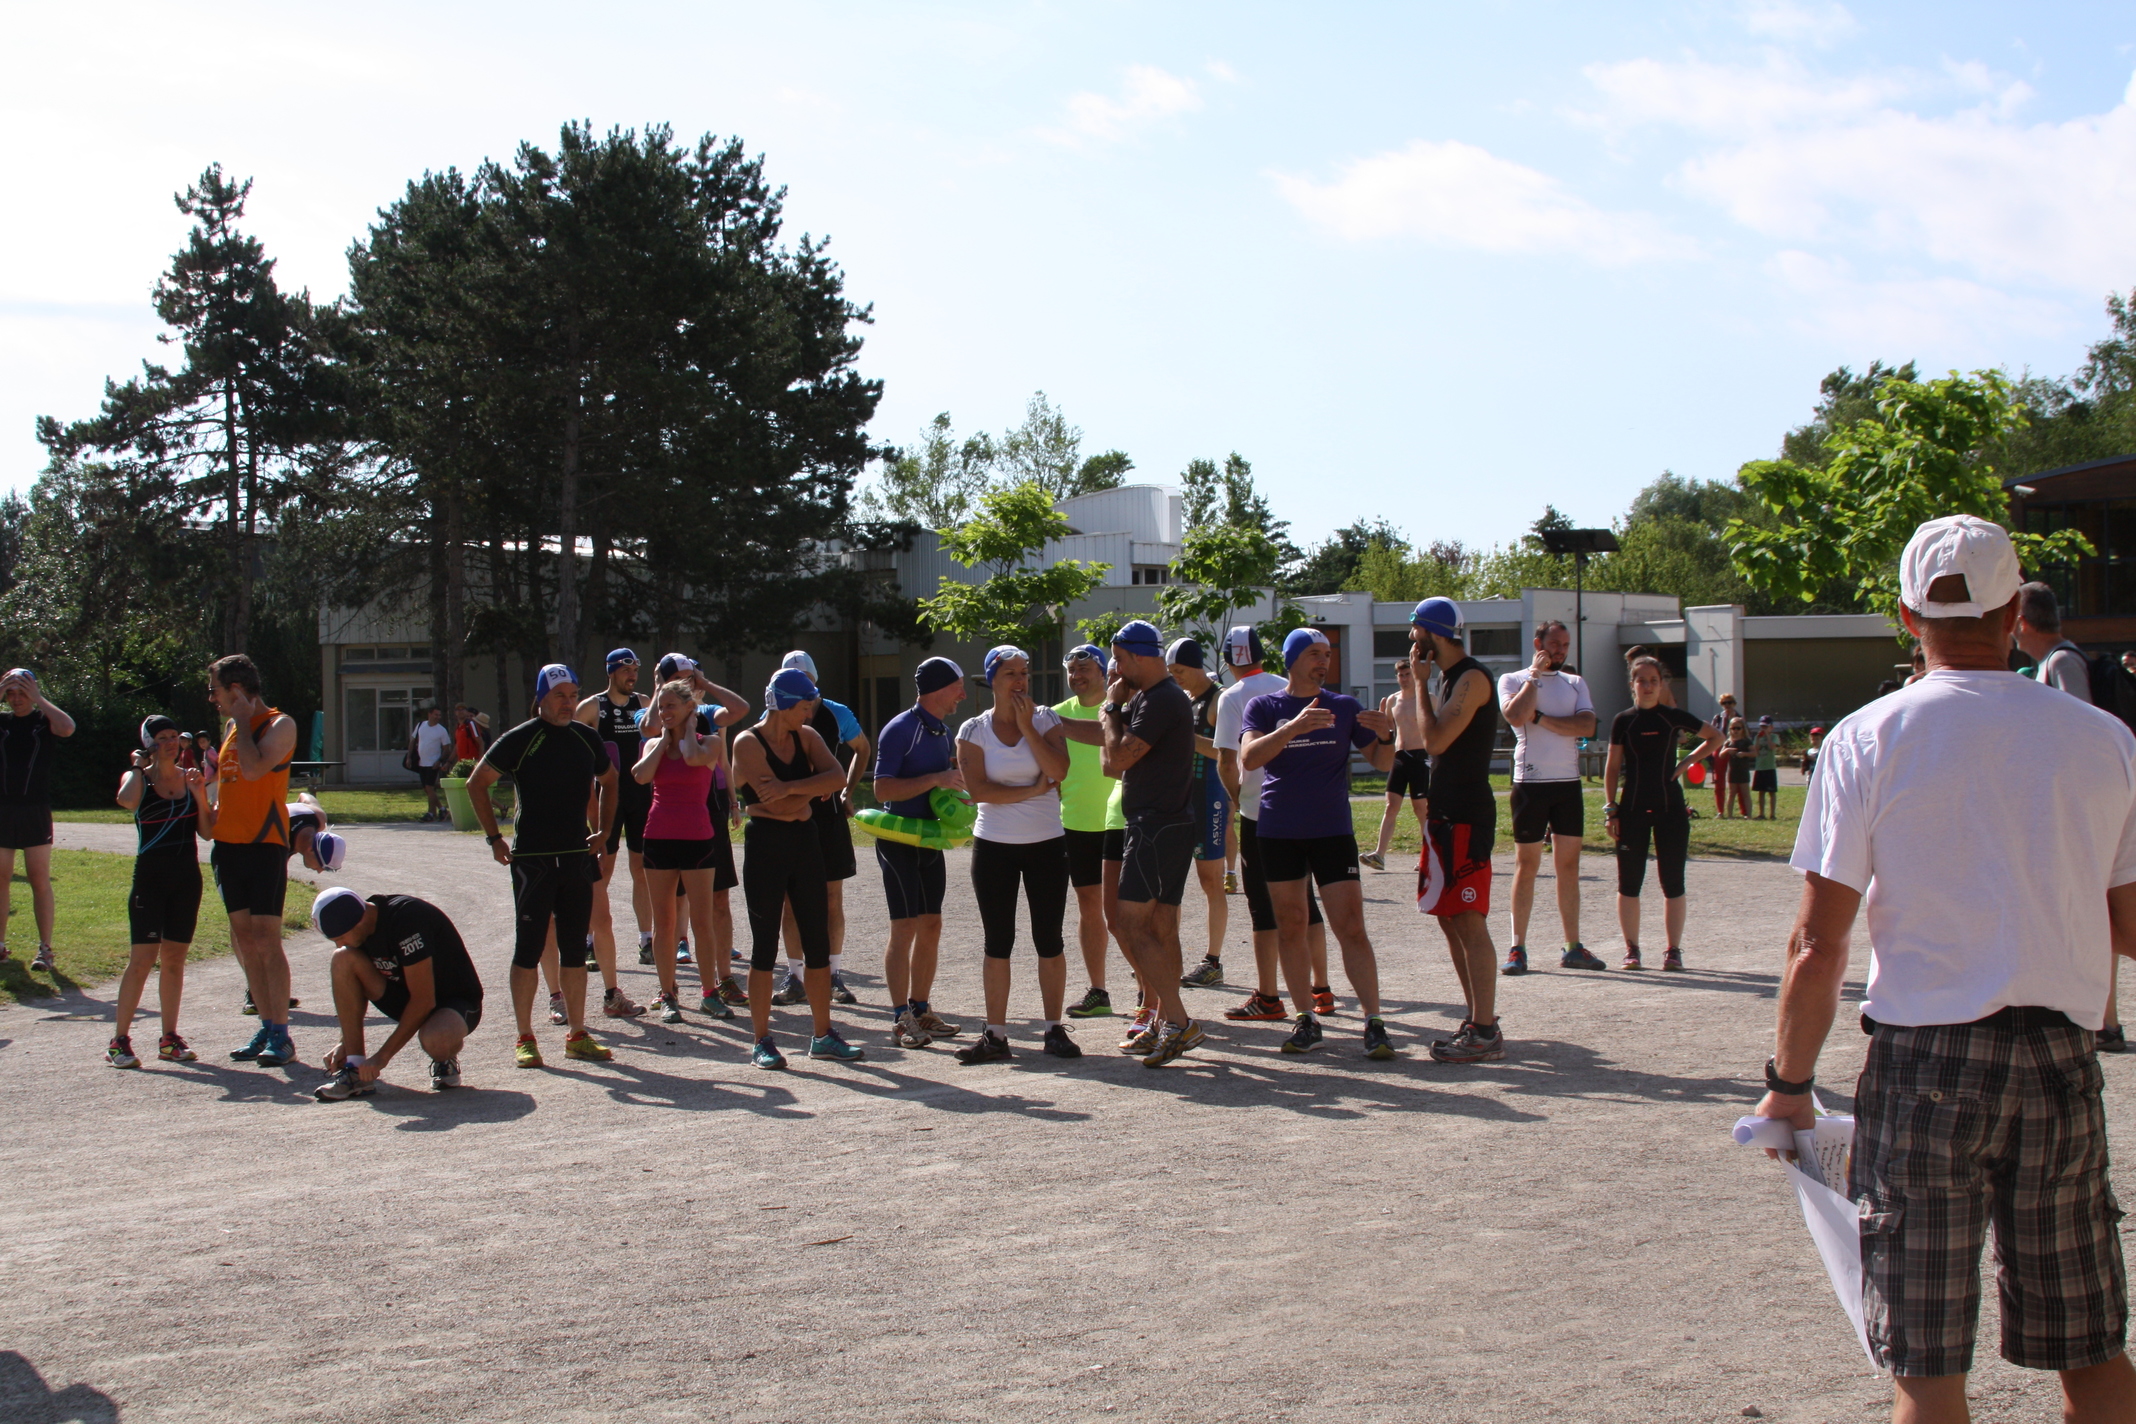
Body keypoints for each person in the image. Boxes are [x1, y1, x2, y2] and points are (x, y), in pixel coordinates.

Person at [1752, 515, 2136, 1422]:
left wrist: (1789, 1085)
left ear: (1906, 616)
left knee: (1926, 1369)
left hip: (1925, 1064)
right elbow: (2130, 928)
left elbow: (1817, 944)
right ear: (2014, 614)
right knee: (2090, 1349)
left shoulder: (1867, 737)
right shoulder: (2103, 738)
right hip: (2058, 1057)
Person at [1241, 626, 1400, 1058]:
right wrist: (1292, 728)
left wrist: (1388, 735)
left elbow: (1382, 761)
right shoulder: (1264, 706)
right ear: (1292, 659)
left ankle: (1374, 1022)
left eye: (1327, 654)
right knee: (1291, 925)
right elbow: (1249, 758)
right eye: (1314, 653)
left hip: (1332, 830)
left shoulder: (1343, 707)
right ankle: (1305, 1019)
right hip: (1278, 831)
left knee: (1351, 926)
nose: (1324, 661)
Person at [467, 663, 617, 1070]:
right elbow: (476, 783)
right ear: (540, 699)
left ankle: (578, 1035)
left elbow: (611, 780)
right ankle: (525, 1037)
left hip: (576, 858)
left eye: (573, 696)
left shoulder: (586, 738)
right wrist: (494, 838)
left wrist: (604, 831)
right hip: (532, 861)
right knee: (528, 949)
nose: (568, 703)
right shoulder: (520, 739)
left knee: (575, 950)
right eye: (559, 696)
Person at [1067, 619, 1202, 1067]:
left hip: (1155, 827)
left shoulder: (1160, 699)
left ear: (1141, 656)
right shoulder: (1151, 696)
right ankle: (1165, 1021)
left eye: (1120, 660)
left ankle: (1178, 1021)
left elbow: (1115, 760)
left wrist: (1110, 706)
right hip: (1167, 825)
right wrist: (1057, 725)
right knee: (1161, 928)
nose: (1116, 670)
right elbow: (1113, 739)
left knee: (1129, 924)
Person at [953, 645, 1081, 1062]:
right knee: (998, 941)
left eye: (1024, 673)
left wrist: (1028, 728)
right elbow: (979, 791)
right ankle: (995, 1036)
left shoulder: (1044, 720)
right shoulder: (973, 730)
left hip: (1046, 843)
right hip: (994, 846)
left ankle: (1053, 1030)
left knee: (1050, 938)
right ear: (992, 679)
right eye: (1011, 674)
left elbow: (1059, 771)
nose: (1021, 681)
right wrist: (1033, 790)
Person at [733, 668, 864, 1067]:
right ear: (786, 705)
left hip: (806, 842)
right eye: (805, 707)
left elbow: (836, 777)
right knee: (764, 946)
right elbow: (772, 807)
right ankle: (761, 1040)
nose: (810, 714)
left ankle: (823, 1035)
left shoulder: (807, 736)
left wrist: (790, 789)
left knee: (817, 942)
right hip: (765, 845)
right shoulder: (747, 742)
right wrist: (809, 791)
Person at [2016, 584, 2125, 1054]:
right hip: (2081, 801)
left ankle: (2105, 1020)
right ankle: (2105, 1020)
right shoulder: (2056, 660)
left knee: (2097, 908)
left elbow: (2083, 728)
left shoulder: (2061, 661)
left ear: (2022, 622)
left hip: (2082, 803)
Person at [1398, 598, 1506, 1063]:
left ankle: (1485, 1030)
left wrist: (1420, 687)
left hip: (1466, 814)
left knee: (1468, 918)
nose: (1410, 640)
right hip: (1444, 813)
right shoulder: (1447, 677)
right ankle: (1476, 1017)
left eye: (1415, 631)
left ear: (1433, 633)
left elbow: (1435, 740)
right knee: (1448, 918)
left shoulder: (1472, 678)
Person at [1212, 624, 1333, 1025]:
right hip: (1299, 807)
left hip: (1259, 812)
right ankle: (1322, 988)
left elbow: (1227, 760)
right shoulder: (1287, 686)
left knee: (1263, 909)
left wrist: (1236, 797)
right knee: (1305, 901)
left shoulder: (1231, 696)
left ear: (1228, 660)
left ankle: (1268, 995)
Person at [206, 654, 301, 1067]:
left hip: (264, 843)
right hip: (228, 845)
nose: (212, 698)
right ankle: (265, 1025)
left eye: (215, 690)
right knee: (245, 940)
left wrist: (244, 723)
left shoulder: (280, 724)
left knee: (266, 939)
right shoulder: (231, 727)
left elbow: (253, 770)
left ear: (236, 690)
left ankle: (282, 1033)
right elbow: (228, 782)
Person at [106, 715, 214, 1068]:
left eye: (173, 736)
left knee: (174, 959)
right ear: (149, 744)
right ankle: (119, 1041)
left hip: (186, 879)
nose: (170, 743)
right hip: (150, 881)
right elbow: (126, 801)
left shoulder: (190, 778)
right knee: (141, 960)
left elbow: (207, 832)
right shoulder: (138, 779)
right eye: (162, 737)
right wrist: (139, 766)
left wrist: (200, 795)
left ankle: (169, 1038)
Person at [871, 657, 969, 1046]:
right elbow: (882, 790)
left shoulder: (944, 732)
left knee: (932, 924)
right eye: (958, 687)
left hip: (929, 840)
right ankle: (900, 1018)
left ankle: (921, 1009)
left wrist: (959, 796)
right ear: (938, 689)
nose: (963, 695)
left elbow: (942, 788)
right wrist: (936, 778)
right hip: (898, 841)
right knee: (905, 927)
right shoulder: (900, 729)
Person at [1496, 619, 1600, 974]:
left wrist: (1540, 718)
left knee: (1568, 867)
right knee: (1527, 865)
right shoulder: (1512, 680)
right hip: (1530, 783)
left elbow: (1586, 726)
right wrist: (1534, 678)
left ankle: (1573, 947)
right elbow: (1515, 715)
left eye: (1565, 645)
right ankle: (1517, 948)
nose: (1561, 651)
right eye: (1555, 644)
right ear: (1538, 643)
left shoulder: (1575, 683)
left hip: (1567, 784)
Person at [310, 887, 483, 1100]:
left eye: (341, 936)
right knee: (342, 958)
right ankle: (355, 1070)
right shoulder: (359, 926)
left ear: (359, 920)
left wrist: (381, 1057)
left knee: (436, 1039)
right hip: (406, 995)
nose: (339, 943)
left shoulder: (407, 919)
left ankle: (445, 1057)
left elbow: (424, 1000)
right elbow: (356, 991)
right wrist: (344, 1042)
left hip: (455, 1002)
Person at [1603, 658, 1721, 971]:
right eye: (1641, 680)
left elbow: (1716, 737)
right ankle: (1632, 949)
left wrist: (1686, 763)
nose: (1648, 686)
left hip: (1671, 811)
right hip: (1632, 810)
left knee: (1673, 882)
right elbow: (1612, 768)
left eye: (1653, 680)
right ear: (1632, 685)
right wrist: (1611, 809)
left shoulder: (1672, 717)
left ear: (1661, 683)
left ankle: (1673, 950)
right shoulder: (1623, 721)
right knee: (1629, 883)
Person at [631, 677, 733, 1024]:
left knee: (702, 922)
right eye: (661, 707)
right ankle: (668, 993)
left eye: (672, 706)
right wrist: (662, 741)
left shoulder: (710, 743)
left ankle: (709, 993)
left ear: (690, 707)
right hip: (658, 838)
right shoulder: (652, 746)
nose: (664, 712)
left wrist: (688, 729)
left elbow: (692, 758)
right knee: (665, 923)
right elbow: (640, 777)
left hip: (697, 839)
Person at [774, 650, 870, 1008]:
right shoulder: (774, 716)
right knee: (790, 901)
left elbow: (862, 748)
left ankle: (832, 974)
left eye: (807, 683)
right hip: (789, 817)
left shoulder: (835, 713)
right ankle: (795, 976)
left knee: (831, 898)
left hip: (827, 817)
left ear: (815, 683)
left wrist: (847, 791)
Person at [572, 649, 651, 1021]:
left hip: (641, 796)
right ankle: (590, 940)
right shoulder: (593, 707)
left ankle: (646, 940)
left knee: (642, 869)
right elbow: (572, 748)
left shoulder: (644, 704)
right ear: (612, 672)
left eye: (635, 670)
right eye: (626, 670)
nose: (631, 676)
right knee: (602, 869)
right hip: (607, 798)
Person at [1053, 644, 1127, 1020]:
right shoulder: (1057, 714)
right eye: (1071, 670)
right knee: (1089, 908)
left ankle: (1149, 987)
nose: (1077, 675)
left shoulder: (1120, 711)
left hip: (1120, 823)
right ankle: (1099, 991)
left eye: (1084, 669)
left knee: (1127, 913)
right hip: (1075, 824)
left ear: (1102, 672)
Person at [0, 668, 75, 972]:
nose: (17, 699)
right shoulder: (2, 722)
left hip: (35, 810)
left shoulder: (44, 722)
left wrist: (39, 698)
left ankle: (45, 949)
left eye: (22, 693)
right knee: (1, 878)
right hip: (3, 809)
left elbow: (68, 728)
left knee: (38, 878)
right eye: (11, 693)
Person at [1168, 638, 1231, 990]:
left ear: (1195, 666)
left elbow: (1226, 752)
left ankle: (1213, 961)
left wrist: (1185, 737)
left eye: (1179, 671)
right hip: (1182, 798)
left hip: (1209, 798)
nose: (1175, 677)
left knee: (1211, 881)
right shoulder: (1185, 698)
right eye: (1171, 672)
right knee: (1171, 883)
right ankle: (1168, 953)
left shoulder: (1219, 699)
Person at [1362, 660, 1430, 873]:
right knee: (1391, 805)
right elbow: (1388, 728)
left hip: (1421, 757)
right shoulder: (1393, 700)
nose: (1404, 678)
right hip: (1399, 757)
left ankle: (1429, 857)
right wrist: (1381, 725)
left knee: (1421, 809)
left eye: (1408, 674)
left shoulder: (1428, 699)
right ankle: (1379, 855)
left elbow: (1440, 725)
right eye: (1401, 675)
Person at [412, 706, 455, 822]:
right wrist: (410, 756)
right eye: (436, 715)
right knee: (426, 789)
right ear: (429, 714)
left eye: (439, 715)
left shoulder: (441, 730)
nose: (438, 717)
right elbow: (412, 740)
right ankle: (442, 809)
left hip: (433, 763)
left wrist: (440, 761)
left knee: (429, 787)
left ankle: (431, 813)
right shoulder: (421, 725)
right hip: (422, 762)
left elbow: (446, 748)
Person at [1708, 691, 1740, 816]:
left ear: (1734, 703)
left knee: (1737, 781)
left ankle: (1744, 811)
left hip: (1735, 748)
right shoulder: (1718, 718)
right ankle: (1720, 811)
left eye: (1730, 702)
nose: (1727, 705)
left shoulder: (1739, 718)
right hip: (1719, 748)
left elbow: (1746, 734)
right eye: (1724, 703)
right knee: (1719, 781)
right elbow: (1711, 734)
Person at [1750, 715, 1781, 821]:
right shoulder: (1757, 737)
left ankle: (1772, 814)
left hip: (1770, 767)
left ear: (1771, 727)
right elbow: (1756, 750)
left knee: (1772, 792)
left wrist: (1767, 735)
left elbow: (1772, 747)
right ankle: (1761, 813)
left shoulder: (1774, 737)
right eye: (1762, 726)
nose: (1763, 729)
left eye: (1766, 727)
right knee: (1761, 792)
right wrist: (1759, 739)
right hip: (1760, 767)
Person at [1723, 716, 1754, 820]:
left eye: (1738, 728)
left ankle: (1749, 815)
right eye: (1733, 728)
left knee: (1745, 793)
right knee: (1731, 793)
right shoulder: (1728, 742)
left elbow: (1754, 753)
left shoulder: (1746, 741)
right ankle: (1730, 815)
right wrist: (1727, 750)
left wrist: (1744, 754)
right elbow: (1720, 755)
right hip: (1732, 771)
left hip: (1743, 770)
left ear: (1743, 729)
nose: (1735, 731)